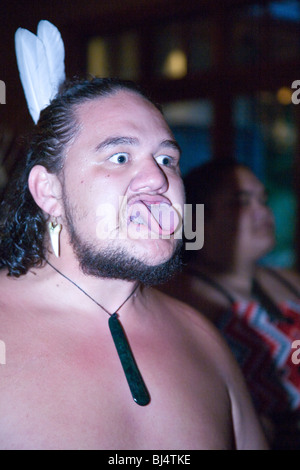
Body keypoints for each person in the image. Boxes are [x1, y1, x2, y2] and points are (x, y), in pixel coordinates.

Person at [0, 75, 270, 450]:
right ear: (49, 191)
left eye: (166, 159)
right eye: (120, 157)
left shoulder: (203, 339)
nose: (157, 178)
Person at [162, 157, 300, 449]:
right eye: (241, 202)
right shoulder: (182, 297)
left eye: (263, 199)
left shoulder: (291, 281)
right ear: (200, 218)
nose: (262, 211)